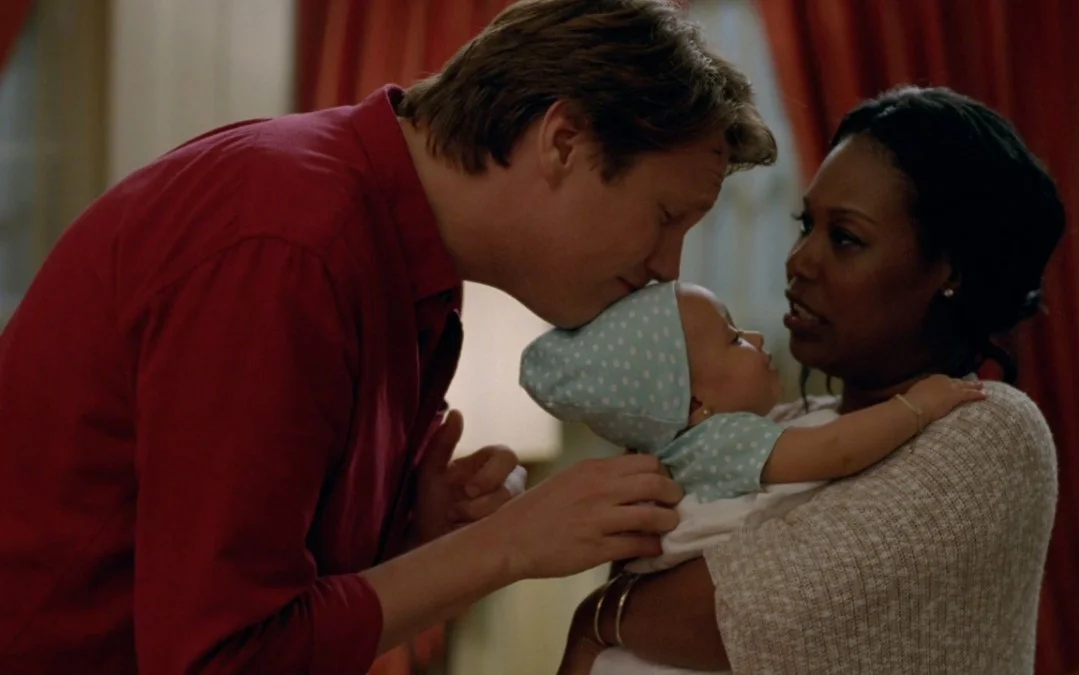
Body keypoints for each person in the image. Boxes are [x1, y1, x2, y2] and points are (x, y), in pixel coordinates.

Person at [0, 1, 778, 673]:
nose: (666, 268)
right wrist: (507, 545)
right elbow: (221, 655)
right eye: (665, 218)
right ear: (564, 142)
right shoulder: (290, 246)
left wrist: (409, 536)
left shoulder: (399, 263)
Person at [558, 86, 1066, 675]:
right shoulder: (779, 423)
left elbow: (747, 617)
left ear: (949, 271)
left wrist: (597, 617)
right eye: (807, 225)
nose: (799, 260)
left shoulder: (987, 429)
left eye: (845, 238)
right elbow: (645, 561)